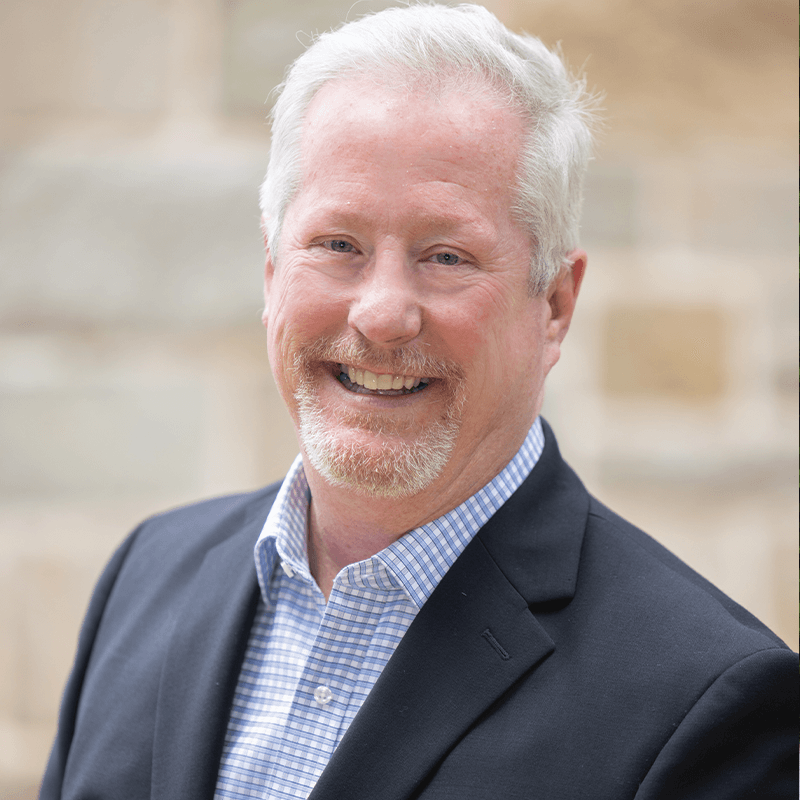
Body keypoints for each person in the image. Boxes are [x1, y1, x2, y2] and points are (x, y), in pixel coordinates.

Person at [40, 4, 797, 799]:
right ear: (271, 271)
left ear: (554, 306)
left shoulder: (704, 705)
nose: (382, 314)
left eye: (446, 256)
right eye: (338, 245)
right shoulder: (146, 576)